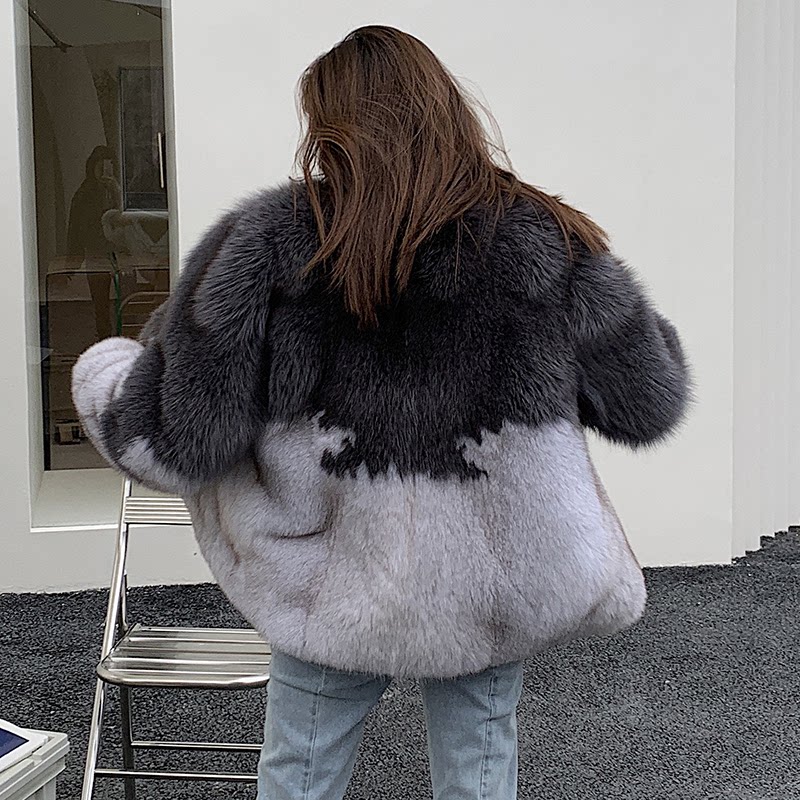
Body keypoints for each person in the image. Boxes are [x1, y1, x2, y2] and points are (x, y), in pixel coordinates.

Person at [72, 25, 690, 800]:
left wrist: (104, 372)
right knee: (479, 774)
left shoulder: (269, 245)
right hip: (493, 585)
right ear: (447, 112)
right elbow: (649, 398)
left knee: (300, 774)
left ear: (329, 127)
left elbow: (169, 439)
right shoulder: (546, 241)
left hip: (332, 581)